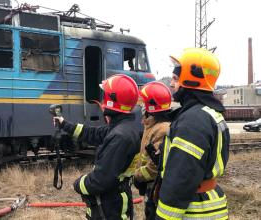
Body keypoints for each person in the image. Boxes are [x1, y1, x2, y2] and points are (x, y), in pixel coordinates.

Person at [155, 48, 230, 219]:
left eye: (176, 78)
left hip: (193, 209)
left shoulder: (192, 121)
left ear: (191, 80)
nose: (172, 84)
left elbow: (180, 179)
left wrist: (163, 216)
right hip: (206, 205)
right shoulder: (207, 113)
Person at [54, 74, 141, 219]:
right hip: (111, 200)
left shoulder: (120, 136)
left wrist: (78, 184)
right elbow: (91, 133)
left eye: (104, 96)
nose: (102, 101)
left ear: (111, 101)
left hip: (110, 206)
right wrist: (65, 125)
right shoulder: (121, 128)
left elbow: (100, 180)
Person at [133, 81, 172, 220]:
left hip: (155, 186)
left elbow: (155, 166)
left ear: (151, 106)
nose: (141, 106)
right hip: (151, 185)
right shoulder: (152, 125)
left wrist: (137, 175)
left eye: (144, 102)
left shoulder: (161, 129)